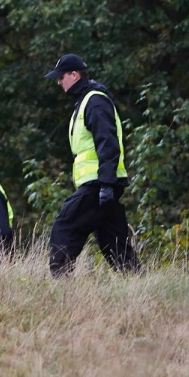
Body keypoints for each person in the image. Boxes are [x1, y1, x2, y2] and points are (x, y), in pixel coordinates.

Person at [44, 54, 140, 276]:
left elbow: (108, 143)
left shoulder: (94, 101)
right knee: (114, 244)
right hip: (103, 183)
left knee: (64, 227)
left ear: (74, 75)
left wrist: (106, 184)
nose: (59, 82)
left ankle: (62, 286)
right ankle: (139, 284)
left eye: (61, 77)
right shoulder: (87, 100)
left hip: (98, 183)